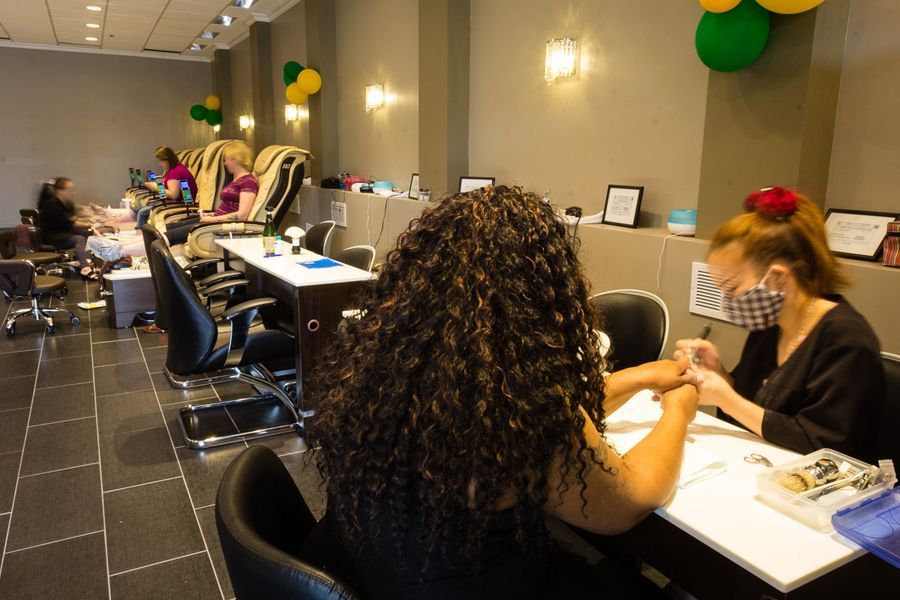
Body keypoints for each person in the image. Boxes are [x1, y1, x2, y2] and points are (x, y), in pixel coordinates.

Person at [304, 186, 699, 599]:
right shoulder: (520, 407)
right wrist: (678, 410)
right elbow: (631, 500)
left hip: (376, 573)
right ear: (540, 291)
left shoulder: (387, 364)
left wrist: (637, 379)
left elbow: (545, 412)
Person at [675, 187, 884, 459]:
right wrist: (721, 374)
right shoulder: (771, 323)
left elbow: (823, 445)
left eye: (731, 286)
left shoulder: (847, 341)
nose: (727, 300)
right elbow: (756, 404)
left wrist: (725, 398)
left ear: (777, 278)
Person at [163, 141, 258, 245]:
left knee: (166, 237)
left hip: (221, 227)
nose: (225, 163)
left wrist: (213, 219)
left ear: (235, 159)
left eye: (226, 159)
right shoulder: (237, 180)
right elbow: (228, 208)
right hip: (215, 221)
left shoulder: (248, 182)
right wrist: (211, 214)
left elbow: (242, 215)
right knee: (170, 227)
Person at [36, 177, 97, 271]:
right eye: (71, 190)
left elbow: (75, 216)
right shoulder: (52, 205)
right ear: (60, 191)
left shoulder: (62, 203)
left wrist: (90, 220)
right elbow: (70, 223)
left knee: (86, 232)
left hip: (60, 233)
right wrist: (91, 224)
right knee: (79, 239)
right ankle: (85, 267)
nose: (73, 193)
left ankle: (82, 259)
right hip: (51, 237)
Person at [135, 145, 198, 229]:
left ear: (168, 160)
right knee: (140, 207)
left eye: (161, 161)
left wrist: (156, 187)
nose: (160, 164)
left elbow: (173, 194)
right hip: (174, 202)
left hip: (181, 205)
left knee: (142, 212)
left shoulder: (175, 172)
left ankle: (140, 235)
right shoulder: (175, 169)